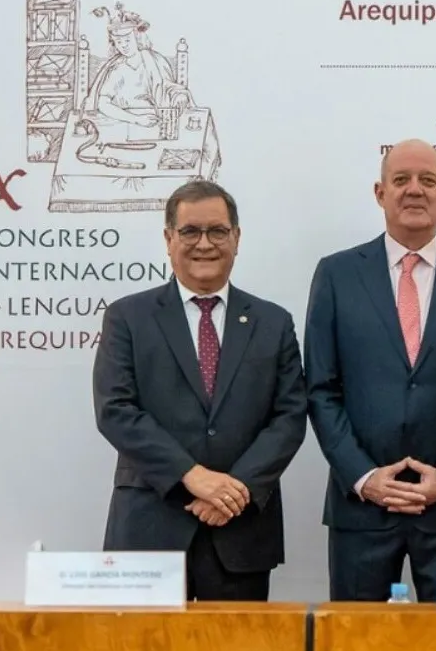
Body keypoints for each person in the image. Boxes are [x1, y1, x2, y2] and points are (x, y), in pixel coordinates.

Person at [304, 138, 436, 602]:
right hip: (360, 509)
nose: (414, 190)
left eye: (427, 180)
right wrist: (363, 477)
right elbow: (320, 389)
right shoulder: (337, 275)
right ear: (380, 193)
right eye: (401, 180)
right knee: (355, 642)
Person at [93, 180, 308, 600]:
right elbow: (116, 410)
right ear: (168, 238)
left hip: (238, 529)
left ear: (237, 237)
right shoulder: (127, 317)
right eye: (190, 231)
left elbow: (289, 417)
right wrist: (193, 478)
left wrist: (232, 490)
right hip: (150, 529)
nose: (204, 244)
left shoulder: (273, 322)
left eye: (217, 231)